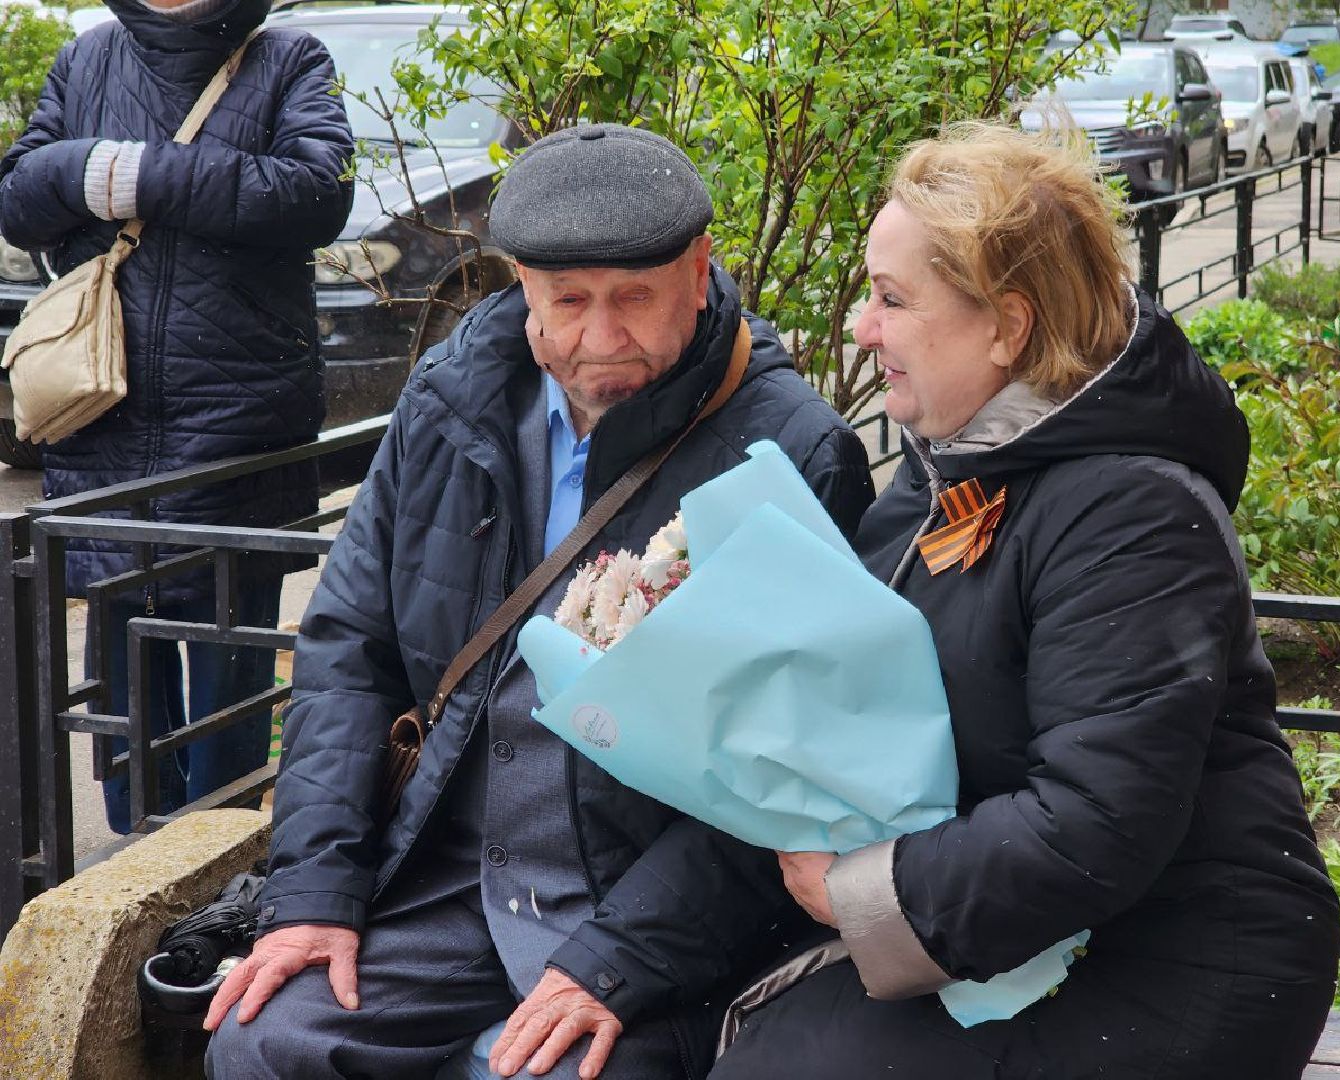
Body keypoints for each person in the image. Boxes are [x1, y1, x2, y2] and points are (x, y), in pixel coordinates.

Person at [203, 123, 875, 1080]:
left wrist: (620, 958)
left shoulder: (795, 451)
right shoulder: (448, 399)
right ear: (521, 283)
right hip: (446, 879)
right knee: (263, 1045)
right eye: (568, 301)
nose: (601, 341)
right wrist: (313, 896)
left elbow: (791, 773)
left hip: (643, 906)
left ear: (698, 273)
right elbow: (349, 650)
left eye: (635, 298)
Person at [711, 122, 1340, 1079]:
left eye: (891, 299)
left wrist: (861, 891)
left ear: (1007, 327)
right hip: (1029, 933)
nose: (860, 329)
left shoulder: (1135, 512)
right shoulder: (954, 466)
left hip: (1176, 969)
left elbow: (1101, 816)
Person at [0, 0, 354, 833]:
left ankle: (218, 852)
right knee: (121, 665)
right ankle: (134, 857)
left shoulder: (289, 58)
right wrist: (86, 169)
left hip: (238, 420)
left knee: (229, 663)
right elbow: (16, 200)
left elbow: (316, 195)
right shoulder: (87, 58)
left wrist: (136, 176)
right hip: (100, 407)